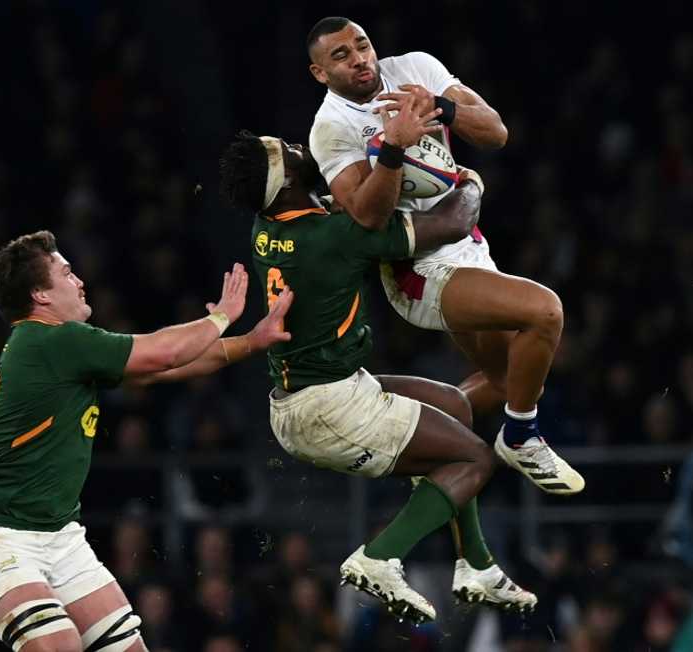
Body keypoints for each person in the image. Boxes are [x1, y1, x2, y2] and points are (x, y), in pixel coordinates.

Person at [218, 130, 537, 623]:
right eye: (289, 151)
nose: (300, 148)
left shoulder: (269, 224)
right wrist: (467, 178)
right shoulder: (334, 238)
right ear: (283, 183)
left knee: (454, 405)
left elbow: (338, 205)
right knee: (475, 460)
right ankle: (379, 556)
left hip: (322, 390)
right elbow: (453, 221)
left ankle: (476, 565)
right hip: (328, 408)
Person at [0, 230, 294, 651]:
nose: (80, 281)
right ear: (40, 295)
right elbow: (162, 353)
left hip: (58, 537)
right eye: (67, 273)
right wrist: (221, 316)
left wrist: (253, 341)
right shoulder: (52, 339)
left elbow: (166, 368)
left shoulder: (62, 348)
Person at [305, 16, 583, 495]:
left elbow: (495, 133)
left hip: (469, 244)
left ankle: (419, 438)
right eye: (341, 56)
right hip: (419, 271)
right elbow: (368, 218)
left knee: (503, 380)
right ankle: (520, 437)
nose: (360, 60)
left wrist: (442, 107)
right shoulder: (330, 129)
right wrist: (394, 146)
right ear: (320, 74)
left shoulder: (416, 68)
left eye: (362, 46)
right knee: (545, 312)